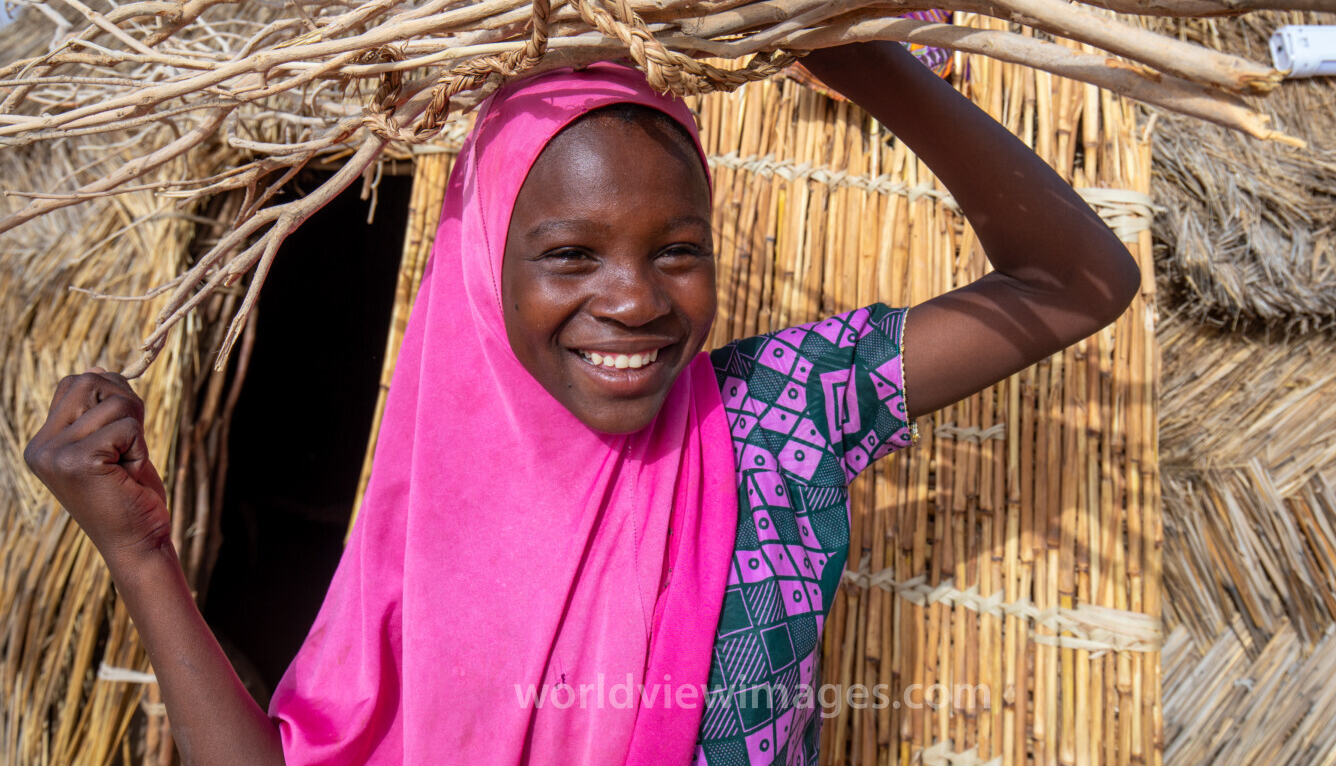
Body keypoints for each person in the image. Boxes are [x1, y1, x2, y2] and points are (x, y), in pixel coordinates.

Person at [24, 40, 1140, 766]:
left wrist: (863, 61)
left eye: (678, 250)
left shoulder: (775, 418)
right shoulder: (432, 508)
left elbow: (1079, 282)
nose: (635, 299)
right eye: (570, 253)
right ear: (482, 268)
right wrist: (143, 557)